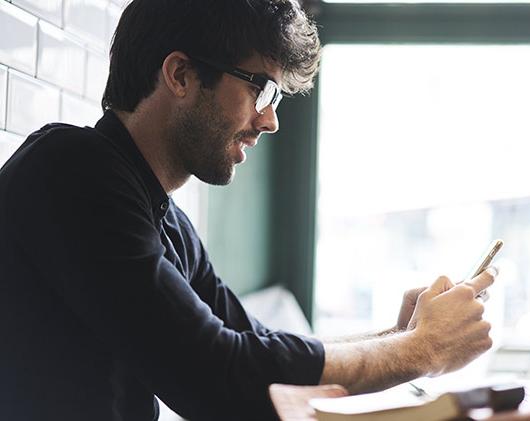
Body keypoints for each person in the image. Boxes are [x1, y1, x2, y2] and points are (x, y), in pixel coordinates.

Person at [0, 0, 496, 420]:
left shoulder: (166, 221)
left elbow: (253, 346)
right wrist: (423, 350)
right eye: (262, 88)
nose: (271, 119)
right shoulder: (70, 171)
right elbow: (218, 376)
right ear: (180, 74)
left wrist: (401, 335)